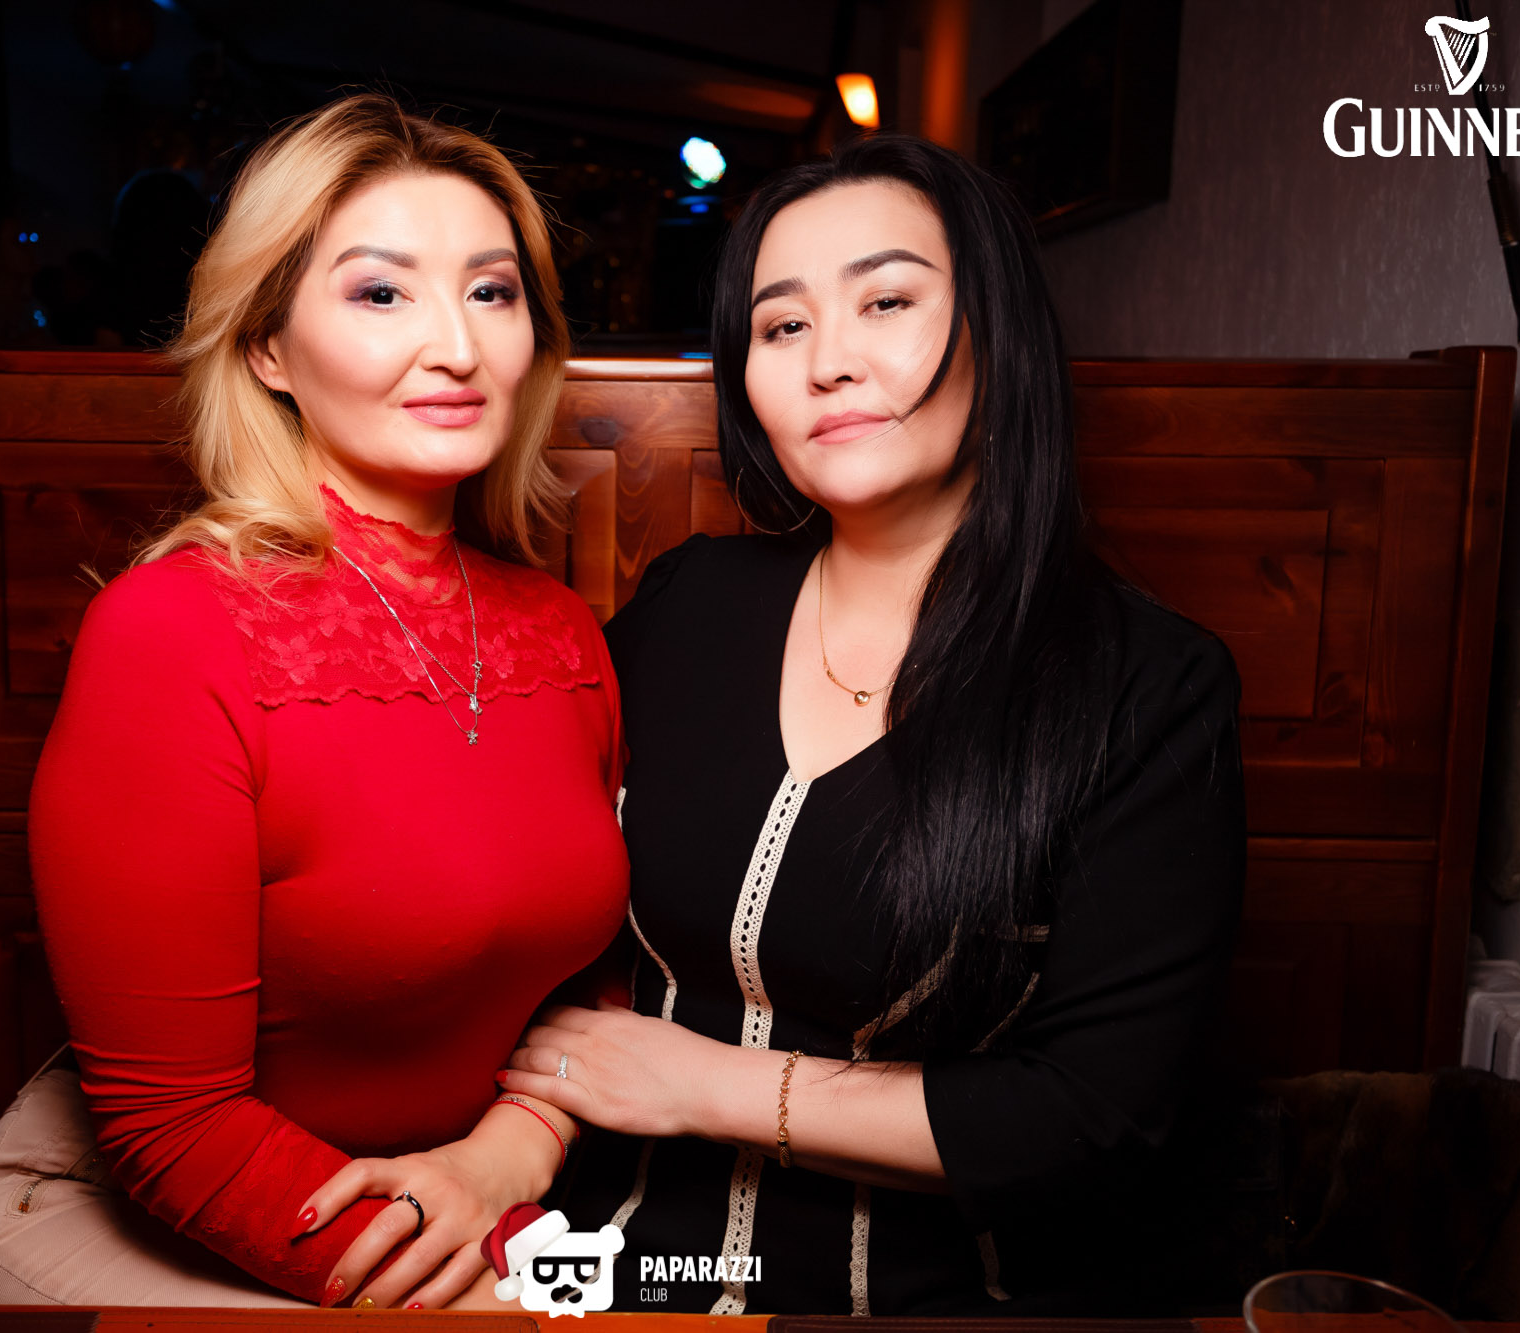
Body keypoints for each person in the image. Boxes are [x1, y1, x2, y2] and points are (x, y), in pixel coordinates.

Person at [499, 134, 1247, 1315]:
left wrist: (708, 1085)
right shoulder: (686, 604)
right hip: (603, 1267)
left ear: (997, 336)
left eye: (885, 302)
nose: (828, 362)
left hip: (931, 1297)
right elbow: (546, 935)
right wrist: (492, 1154)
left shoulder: (1145, 685)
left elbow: (1092, 1115)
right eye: (781, 325)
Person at [0, 94, 627, 1311]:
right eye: (380, 293)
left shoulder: (558, 630)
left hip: (459, 1193)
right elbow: (171, 1126)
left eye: (490, 290)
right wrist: (499, 1286)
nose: (456, 346)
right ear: (265, 349)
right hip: (141, 1204)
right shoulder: (170, 633)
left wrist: (511, 1156)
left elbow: (596, 968)